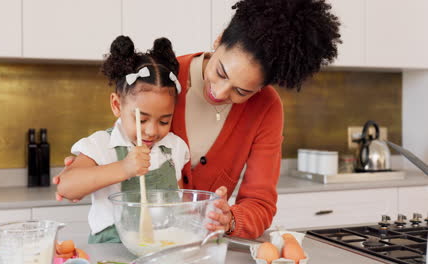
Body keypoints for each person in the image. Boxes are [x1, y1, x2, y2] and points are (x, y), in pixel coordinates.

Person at [55, 0, 341, 239]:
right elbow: (113, 139)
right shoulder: (161, 79)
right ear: (218, 41)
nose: (220, 92)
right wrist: (95, 168)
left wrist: (229, 219)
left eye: (242, 91)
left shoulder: (266, 108)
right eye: (221, 72)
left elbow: (260, 204)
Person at [56, 35, 190, 243]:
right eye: (142, 119)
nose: (152, 131)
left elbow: (179, 197)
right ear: (117, 105)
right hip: (111, 252)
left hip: (162, 248)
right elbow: (66, 186)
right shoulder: (102, 145)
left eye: (164, 121)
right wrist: (125, 168)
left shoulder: (174, 147)